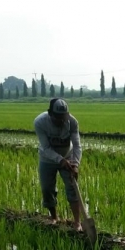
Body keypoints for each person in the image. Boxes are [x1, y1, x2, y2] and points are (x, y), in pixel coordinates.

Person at [33, 98, 83, 230]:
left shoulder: (72, 122)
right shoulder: (40, 122)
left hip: (68, 156)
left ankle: (77, 222)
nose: (61, 121)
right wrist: (60, 160)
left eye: (63, 117)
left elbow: (77, 145)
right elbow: (46, 148)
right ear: (50, 113)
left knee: (73, 187)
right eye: (58, 117)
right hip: (47, 159)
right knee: (47, 188)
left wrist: (76, 164)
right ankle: (54, 217)